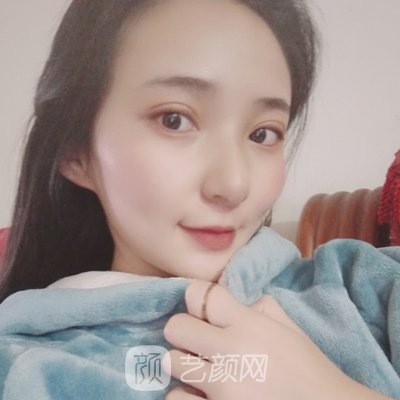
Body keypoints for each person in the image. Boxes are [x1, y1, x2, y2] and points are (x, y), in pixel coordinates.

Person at [0, 0, 398, 399]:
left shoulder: (364, 285)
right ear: (76, 153)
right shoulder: (24, 367)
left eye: (262, 134)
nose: (234, 184)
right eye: (174, 119)